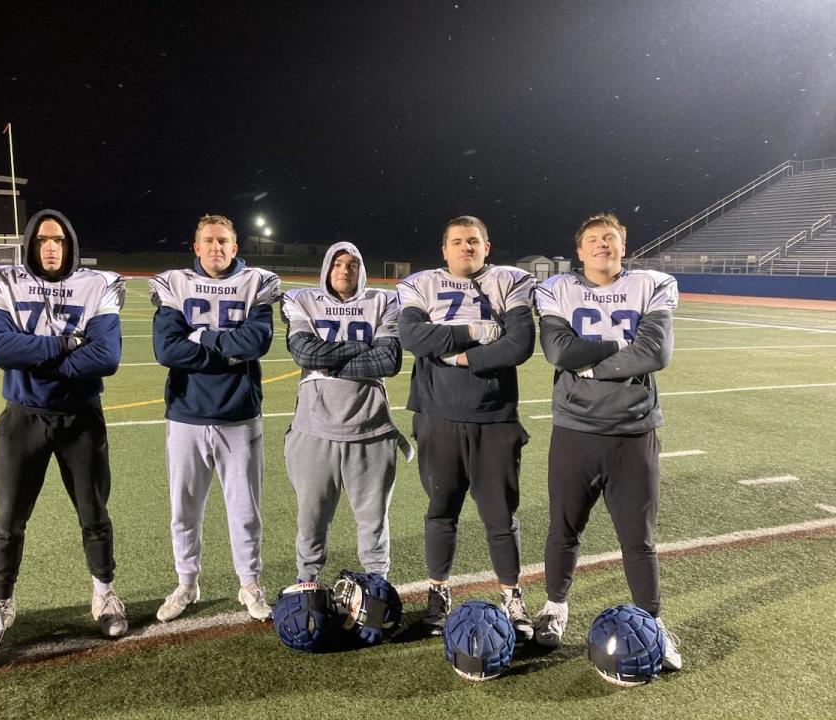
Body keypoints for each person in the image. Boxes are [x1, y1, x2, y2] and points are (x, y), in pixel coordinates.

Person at [532, 211, 682, 671]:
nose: (602, 244)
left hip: (634, 432)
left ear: (623, 245)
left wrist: (592, 362)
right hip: (576, 429)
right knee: (564, 528)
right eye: (593, 239)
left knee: (639, 538)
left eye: (610, 238)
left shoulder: (652, 283)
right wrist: (623, 345)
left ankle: (652, 625)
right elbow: (559, 351)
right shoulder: (556, 288)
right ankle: (555, 606)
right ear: (579, 251)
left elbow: (656, 351)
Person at [0, 209, 128, 638]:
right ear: (30, 243)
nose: (51, 246)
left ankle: (104, 593)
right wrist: (64, 343)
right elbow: (1, 349)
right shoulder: (2, 281)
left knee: (94, 514)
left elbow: (106, 357)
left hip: (82, 419)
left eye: (58, 239)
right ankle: (3, 600)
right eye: (43, 239)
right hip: (23, 418)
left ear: (70, 244)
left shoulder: (97, 285)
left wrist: (35, 357)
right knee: (9, 517)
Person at [397, 215, 536, 638]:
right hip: (437, 414)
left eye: (473, 241)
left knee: (499, 515)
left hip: (493, 417)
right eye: (457, 241)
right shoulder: (420, 283)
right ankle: (438, 594)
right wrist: (474, 331)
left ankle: (512, 596)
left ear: (486, 246)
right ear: (445, 249)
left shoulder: (509, 280)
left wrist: (462, 358)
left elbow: (519, 344)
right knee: (441, 510)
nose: (465, 247)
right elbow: (412, 337)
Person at [149, 214, 281, 622]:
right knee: (183, 509)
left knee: (245, 510)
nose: (216, 247)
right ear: (196, 246)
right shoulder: (176, 283)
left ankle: (249, 583)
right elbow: (167, 350)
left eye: (223, 240)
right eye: (209, 240)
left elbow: (257, 341)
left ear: (235, 247)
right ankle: (187, 583)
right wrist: (228, 346)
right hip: (186, 415)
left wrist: (201, 337)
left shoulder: (255, 283)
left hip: (239, 414)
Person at [281, 242, 410, 584]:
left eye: (352, 264)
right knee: (310, 520)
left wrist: (330, 362)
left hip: (371, 429)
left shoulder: (382, 300)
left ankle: (378, 587)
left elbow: (388, 360)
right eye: (338, 263)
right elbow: (305, 354)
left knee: (373, 521)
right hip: (313, 428)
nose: (344, 270)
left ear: (361, 269)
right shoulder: (302, 300)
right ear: (327, 268)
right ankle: (306, 584)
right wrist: (359, 349)